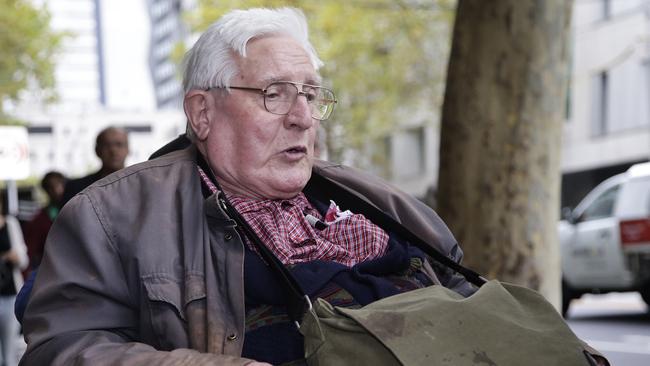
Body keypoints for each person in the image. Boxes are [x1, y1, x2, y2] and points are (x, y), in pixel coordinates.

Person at [20, 8, 474, 365]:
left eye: (311, 95)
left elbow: (459, 283)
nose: (301, 118)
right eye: (274, 94)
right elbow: (58, 349)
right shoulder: (110, 215)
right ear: (202, 113)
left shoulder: (369, 198)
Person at [61, 126, 129, 205]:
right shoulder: (76, 188)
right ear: (97, 151)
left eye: (119, 144)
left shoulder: (140, 186)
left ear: (128, 149)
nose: (113, 150)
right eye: (107, 145)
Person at [0, 196, 28, 366]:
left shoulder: (10, 224)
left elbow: (23, 259)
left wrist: (15, 256)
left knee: (10, 354)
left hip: (10, 294)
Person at [24, 171, 66, 271]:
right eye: (51, 187)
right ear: (46, 190)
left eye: (59, 184)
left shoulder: (77, 210)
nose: (57, 190)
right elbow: (30, 252)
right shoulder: (39, 220)